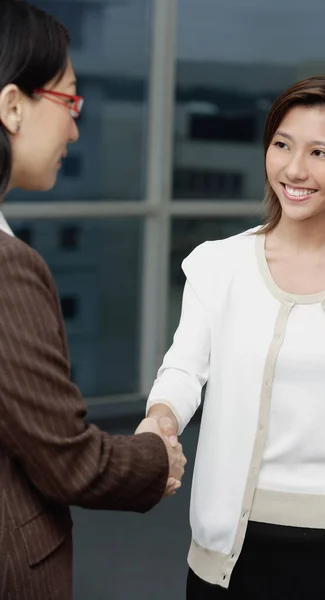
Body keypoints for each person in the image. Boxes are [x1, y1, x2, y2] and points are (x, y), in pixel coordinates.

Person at [144, 74, 325, 599]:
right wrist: (160, 417)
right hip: (232, 554)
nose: (294, 169)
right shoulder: (220, 264)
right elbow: (185, 368)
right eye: (282, 144)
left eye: (320, 153)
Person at [0, 1, 186, 598]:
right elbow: (68, 459)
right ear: (11, 107)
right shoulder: (9, 269)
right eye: (69, 102)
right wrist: (158, 458)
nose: (76, 129)